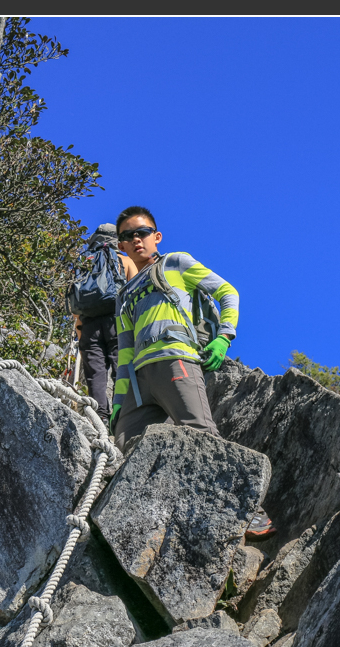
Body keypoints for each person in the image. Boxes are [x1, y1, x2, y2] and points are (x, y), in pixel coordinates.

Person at [109, 206, 274, 539]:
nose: (136, 239)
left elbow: (228, 292)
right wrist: (118, 400)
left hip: (176, 359)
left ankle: (250, 513)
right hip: (139, 381)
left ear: (156, 236)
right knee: (126, 444)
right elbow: (125, 352)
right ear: (121, 246)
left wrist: (224, 337)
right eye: (127, 236)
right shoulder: (123, 297)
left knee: (199, 432)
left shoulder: (176, 263)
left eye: (141, 232)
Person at [73, 223, 137, 423]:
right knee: (122, 370)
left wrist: (80, 333)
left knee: (95, 376)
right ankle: (125, 417)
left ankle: (100, 417)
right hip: (117, 322)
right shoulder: (124, 261)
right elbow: (134, 295)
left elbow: (75, 303)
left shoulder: (84, 263)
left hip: (89, 324)